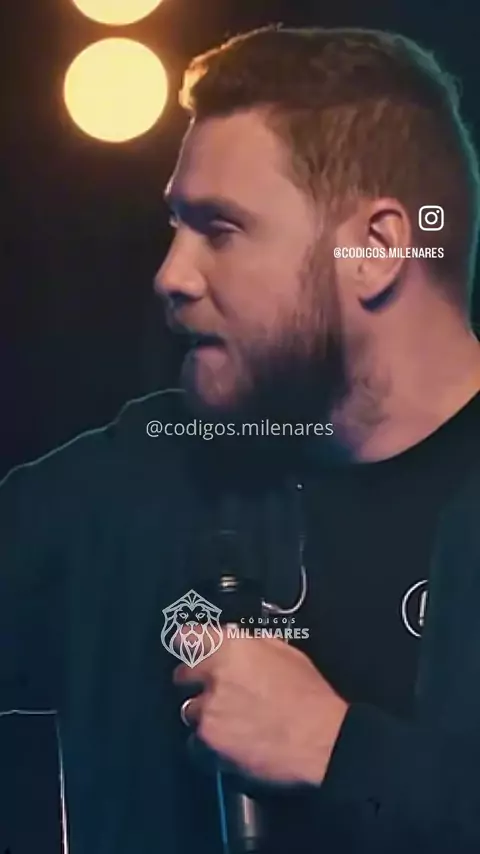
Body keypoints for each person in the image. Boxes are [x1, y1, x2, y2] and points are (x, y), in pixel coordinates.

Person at [2, 22, 480, 854]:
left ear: (375, 249)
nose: (171, 275)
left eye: (219, 230)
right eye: (177, 227)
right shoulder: (140, 478)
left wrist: (340, 752)